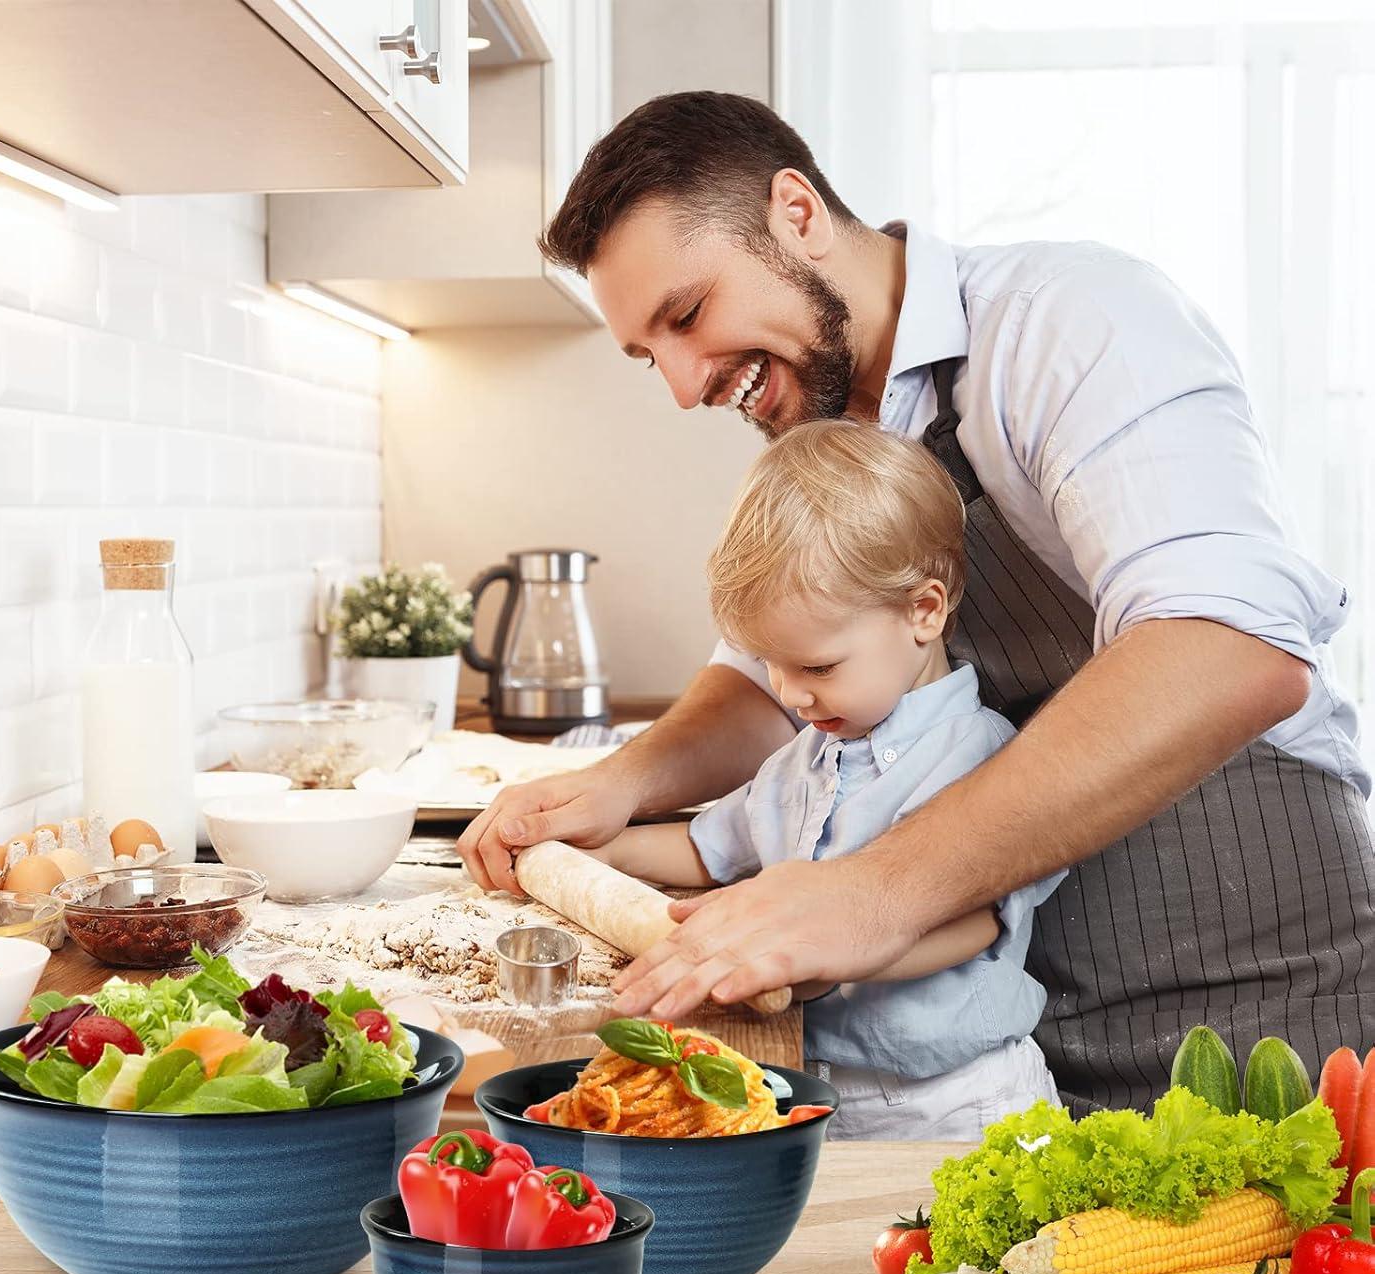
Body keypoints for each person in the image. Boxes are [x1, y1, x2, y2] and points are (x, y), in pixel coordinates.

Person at [457, 91, 1375, 1114]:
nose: (681, 384)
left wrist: (874, 895)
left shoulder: (1069, 321)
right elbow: (770, 687)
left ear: (796, 213)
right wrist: (621, 785)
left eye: (687, 316)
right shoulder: (831, 436)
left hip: (1243, 983)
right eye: (649, 354)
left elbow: (1228, 644)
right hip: (1009, 1018)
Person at [589, 419, 1063, 1138]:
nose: (792, 694)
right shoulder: (805, 758)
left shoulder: (980, 756)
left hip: (961, 1104)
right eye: (770, 664)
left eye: (817, 667)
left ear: (924, 612)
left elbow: (972, 923)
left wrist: (837, 959)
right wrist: (604, 853)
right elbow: (711, 846)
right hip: (832, 1097)